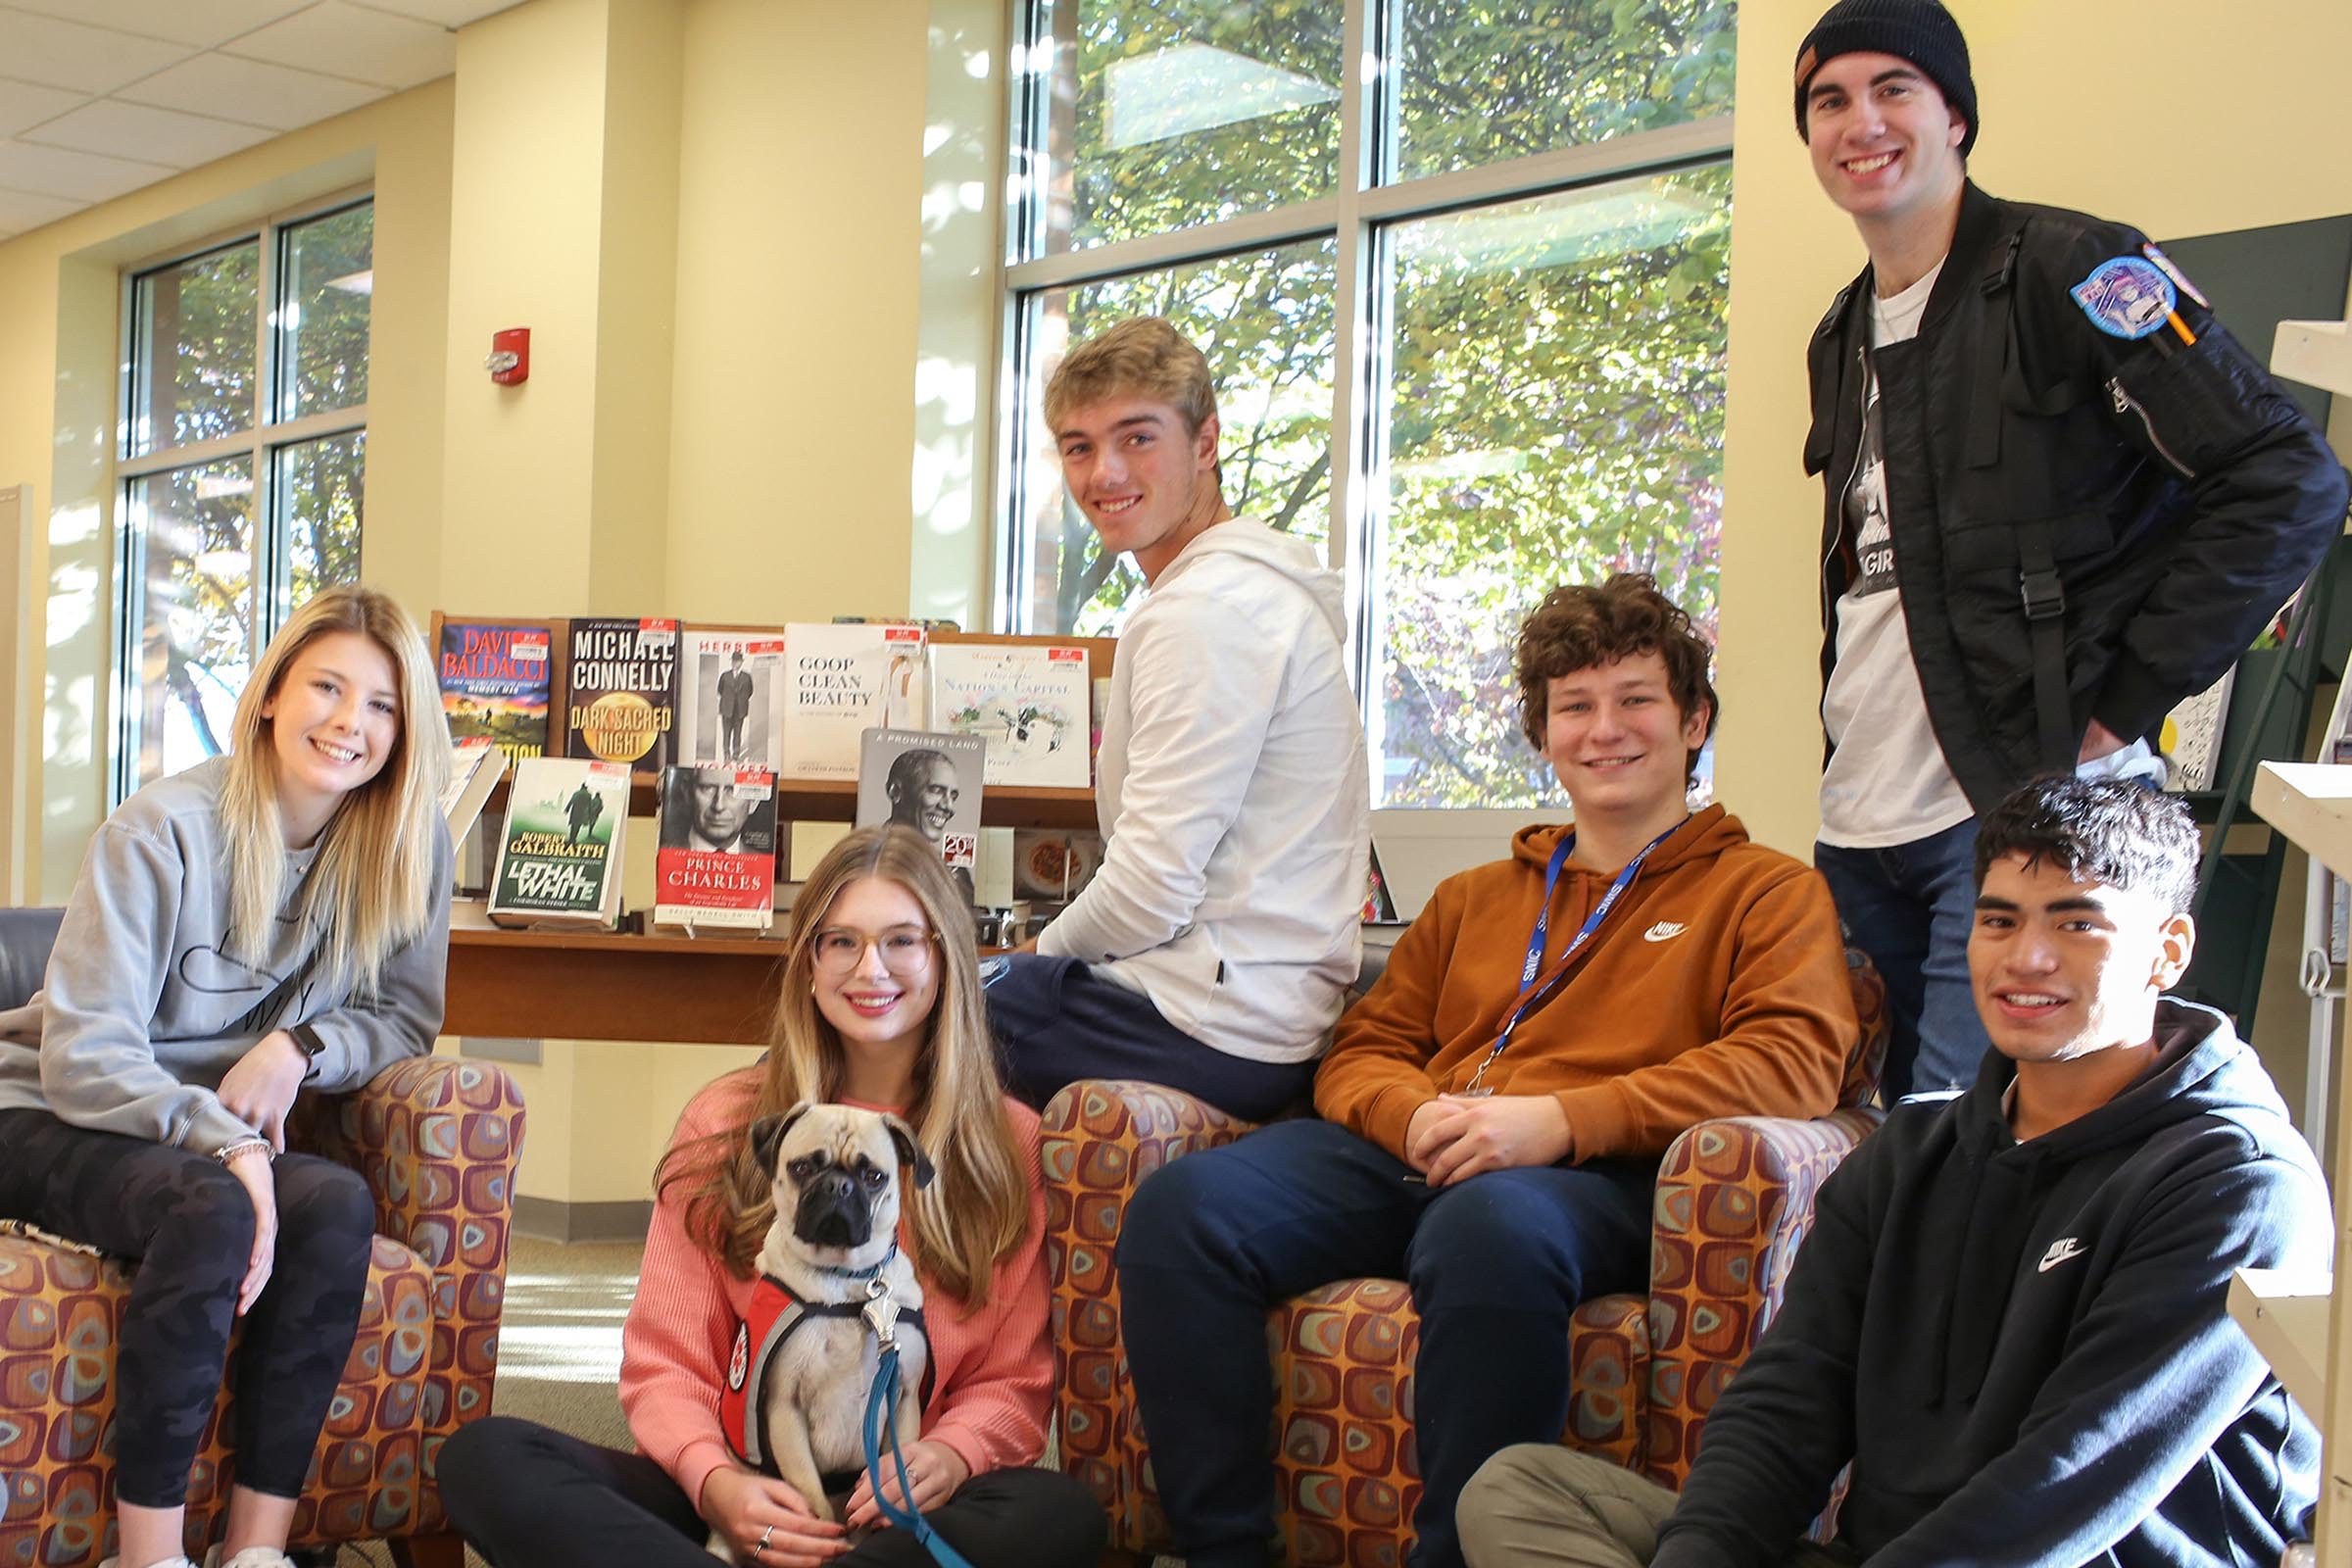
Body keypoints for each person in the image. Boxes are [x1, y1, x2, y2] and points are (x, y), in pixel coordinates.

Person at [1114, 575, 1859, 1568]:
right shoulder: (1475, 896)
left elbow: (1794, 1062)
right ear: (1543, 733)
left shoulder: (1767, 891)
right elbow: (1366, 1046)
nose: (1606, 730)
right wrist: (1411, 1114)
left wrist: (1560, 1120)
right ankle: (1223, 1552)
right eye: (1574, 707)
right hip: (1425, 1148)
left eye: (1636, 699)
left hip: (1599, 1175)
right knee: (1182, 1210)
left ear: (1694, 720)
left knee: (1488, 1229)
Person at [1458, 776, 2330, 1568]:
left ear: (2167, 950)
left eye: (2076, 922)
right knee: (1523, 1492)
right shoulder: (1912, 1151)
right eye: (1999, 920)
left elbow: (2068, 1485)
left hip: (2048, 1559)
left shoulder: (2239, 1183)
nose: (2026, 958)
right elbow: (1791, 1399)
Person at [1793, 0, 2349, 1100]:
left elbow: (2289, 479)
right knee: (1883, 1161)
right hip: (1859, 824)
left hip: (2019, 806)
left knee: (1970, 1148)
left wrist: (2120, 701)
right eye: (1829, 100)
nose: (1862, 122)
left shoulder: (2076, 266)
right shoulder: (1840, 329)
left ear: (1955, 115)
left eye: (1894, 88)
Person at [439, 825, 1106, 1568]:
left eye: (901, 941)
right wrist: (715, 1480)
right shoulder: (728, 1121)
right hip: (734, 1486)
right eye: (840, 942)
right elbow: (667, 1360)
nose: (870, 969)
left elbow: (1014, 1383)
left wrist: (953, 1452)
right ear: (810, 964)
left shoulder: (1004, 1143)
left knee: (1062, 1514)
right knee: (485, 1456)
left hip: (897, 1504)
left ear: (945, 957)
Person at [0, 584, 455, 1568]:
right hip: (48, 1107)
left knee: (335, 1204)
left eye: (381, 704)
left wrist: (299, 1050)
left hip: (197, 1138)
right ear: (269, 696)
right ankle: (150, 1557)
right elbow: (83, 1056)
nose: (350, 722)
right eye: (326, 687)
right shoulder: (160, 830)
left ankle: (256, 1550)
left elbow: (406, 1014)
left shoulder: (404, 845)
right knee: (211, 1209)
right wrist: (231, 1141)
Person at [984, 316, 1371, 1122]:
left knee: (885, 1008)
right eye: (1079, 446)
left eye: (1137, 438)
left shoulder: (1206, 613)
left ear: (1206, 444)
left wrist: (1032, 957)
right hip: (1257, 1014)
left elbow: (1149, 890)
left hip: (1210, 1025)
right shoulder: (1247, 592)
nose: (1105, 472)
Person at [665, 768, 757, 854]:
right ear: (688, 793)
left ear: (753, 801)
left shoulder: (766, 865)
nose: (718, 806)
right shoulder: (662, 853)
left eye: (733, 791)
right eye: (707, 788)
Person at [884, 749, 959, 845]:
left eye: (953, 797)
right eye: (936, 791)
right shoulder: (869, 853)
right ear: (895, 791)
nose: (949, 807)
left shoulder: (934, 858)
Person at [718, 648, 756, 763]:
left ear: (741, 662)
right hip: (727, 709)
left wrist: (741, 701)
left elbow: (750, 692)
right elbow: (720, 690)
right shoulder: (725, 676)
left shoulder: (747, 677)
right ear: (731, 662)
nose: (735, 663)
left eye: (738, 661)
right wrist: (728, 701)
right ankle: (726, 754)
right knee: (726, 733)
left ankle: (736, 754)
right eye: (734, 661)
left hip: (740, 710)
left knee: (738, 733)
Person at [565, 775, 604, 847]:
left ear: (581, 786)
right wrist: (589, 813)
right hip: (582, 812)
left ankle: (571, 838)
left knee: (573, 825)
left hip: (575, 811)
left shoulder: (577, 793)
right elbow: (589, 805)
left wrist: (567, 809)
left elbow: (571, 801)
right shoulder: (588, 795)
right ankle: (574, 839)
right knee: (578, 826)